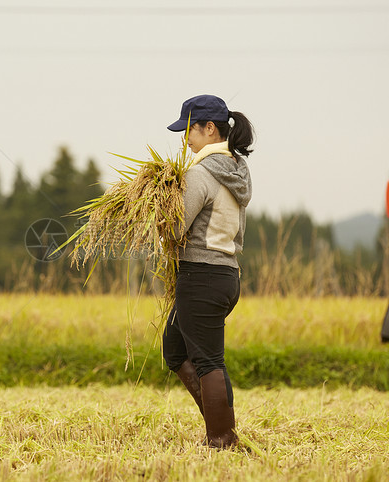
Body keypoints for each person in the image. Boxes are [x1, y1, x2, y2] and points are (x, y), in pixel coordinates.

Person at [162, 94, 254, 449]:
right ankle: (220, 425)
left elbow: (173, 230)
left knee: (209, 361)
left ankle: (222, 439)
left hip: (201, 275)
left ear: (209, 128)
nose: (185, 138)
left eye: (189, 129)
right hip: (225, 275)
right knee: (174, 349)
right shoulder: (236, 171)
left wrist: (157, 206)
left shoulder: (201, 173)